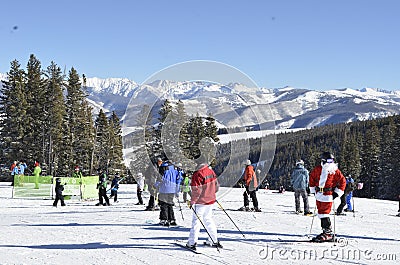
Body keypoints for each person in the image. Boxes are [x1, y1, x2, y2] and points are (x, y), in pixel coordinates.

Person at [186, 157, 222, 250]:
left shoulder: (197, 174)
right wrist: (211, 194)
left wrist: (192, 201)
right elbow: (217, 186)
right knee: (208, 219)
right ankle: (214, 240)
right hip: (210, 200)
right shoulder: (210, 171)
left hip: (201, 202)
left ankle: (192, 242)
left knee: (197, 221)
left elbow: (196, 190)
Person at [309, 151, 346, 242]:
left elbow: (343, 181)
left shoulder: (334, 171)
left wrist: (337, 193)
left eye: (332, 161)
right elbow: (312, 178)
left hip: (328, 195)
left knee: (324, 213)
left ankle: (328, 233)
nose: (331, 163)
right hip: (319, 195)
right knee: (321, 213)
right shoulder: (318, 169)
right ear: (323, 160)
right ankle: (325, 231)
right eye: (329, 161)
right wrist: (313, 190)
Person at [155, 161, 179, 226]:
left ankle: (164, 219)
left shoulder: (163, 167)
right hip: (172, 188)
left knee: (163, 204)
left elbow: (160, 178)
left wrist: (156, 185)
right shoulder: (174, 167)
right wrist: (177, 189)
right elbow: (178, 178)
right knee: (170, 204)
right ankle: (172, 219)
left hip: (164, 188)